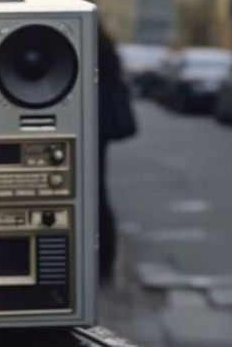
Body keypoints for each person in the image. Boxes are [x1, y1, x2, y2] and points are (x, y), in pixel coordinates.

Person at [95, 23, 136, 282]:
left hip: (89, 121)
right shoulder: (106, 48)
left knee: (91, 194)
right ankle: (105, 261)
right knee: (98, 192)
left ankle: (100, 260)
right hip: (102, 123)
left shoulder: (82, 45)